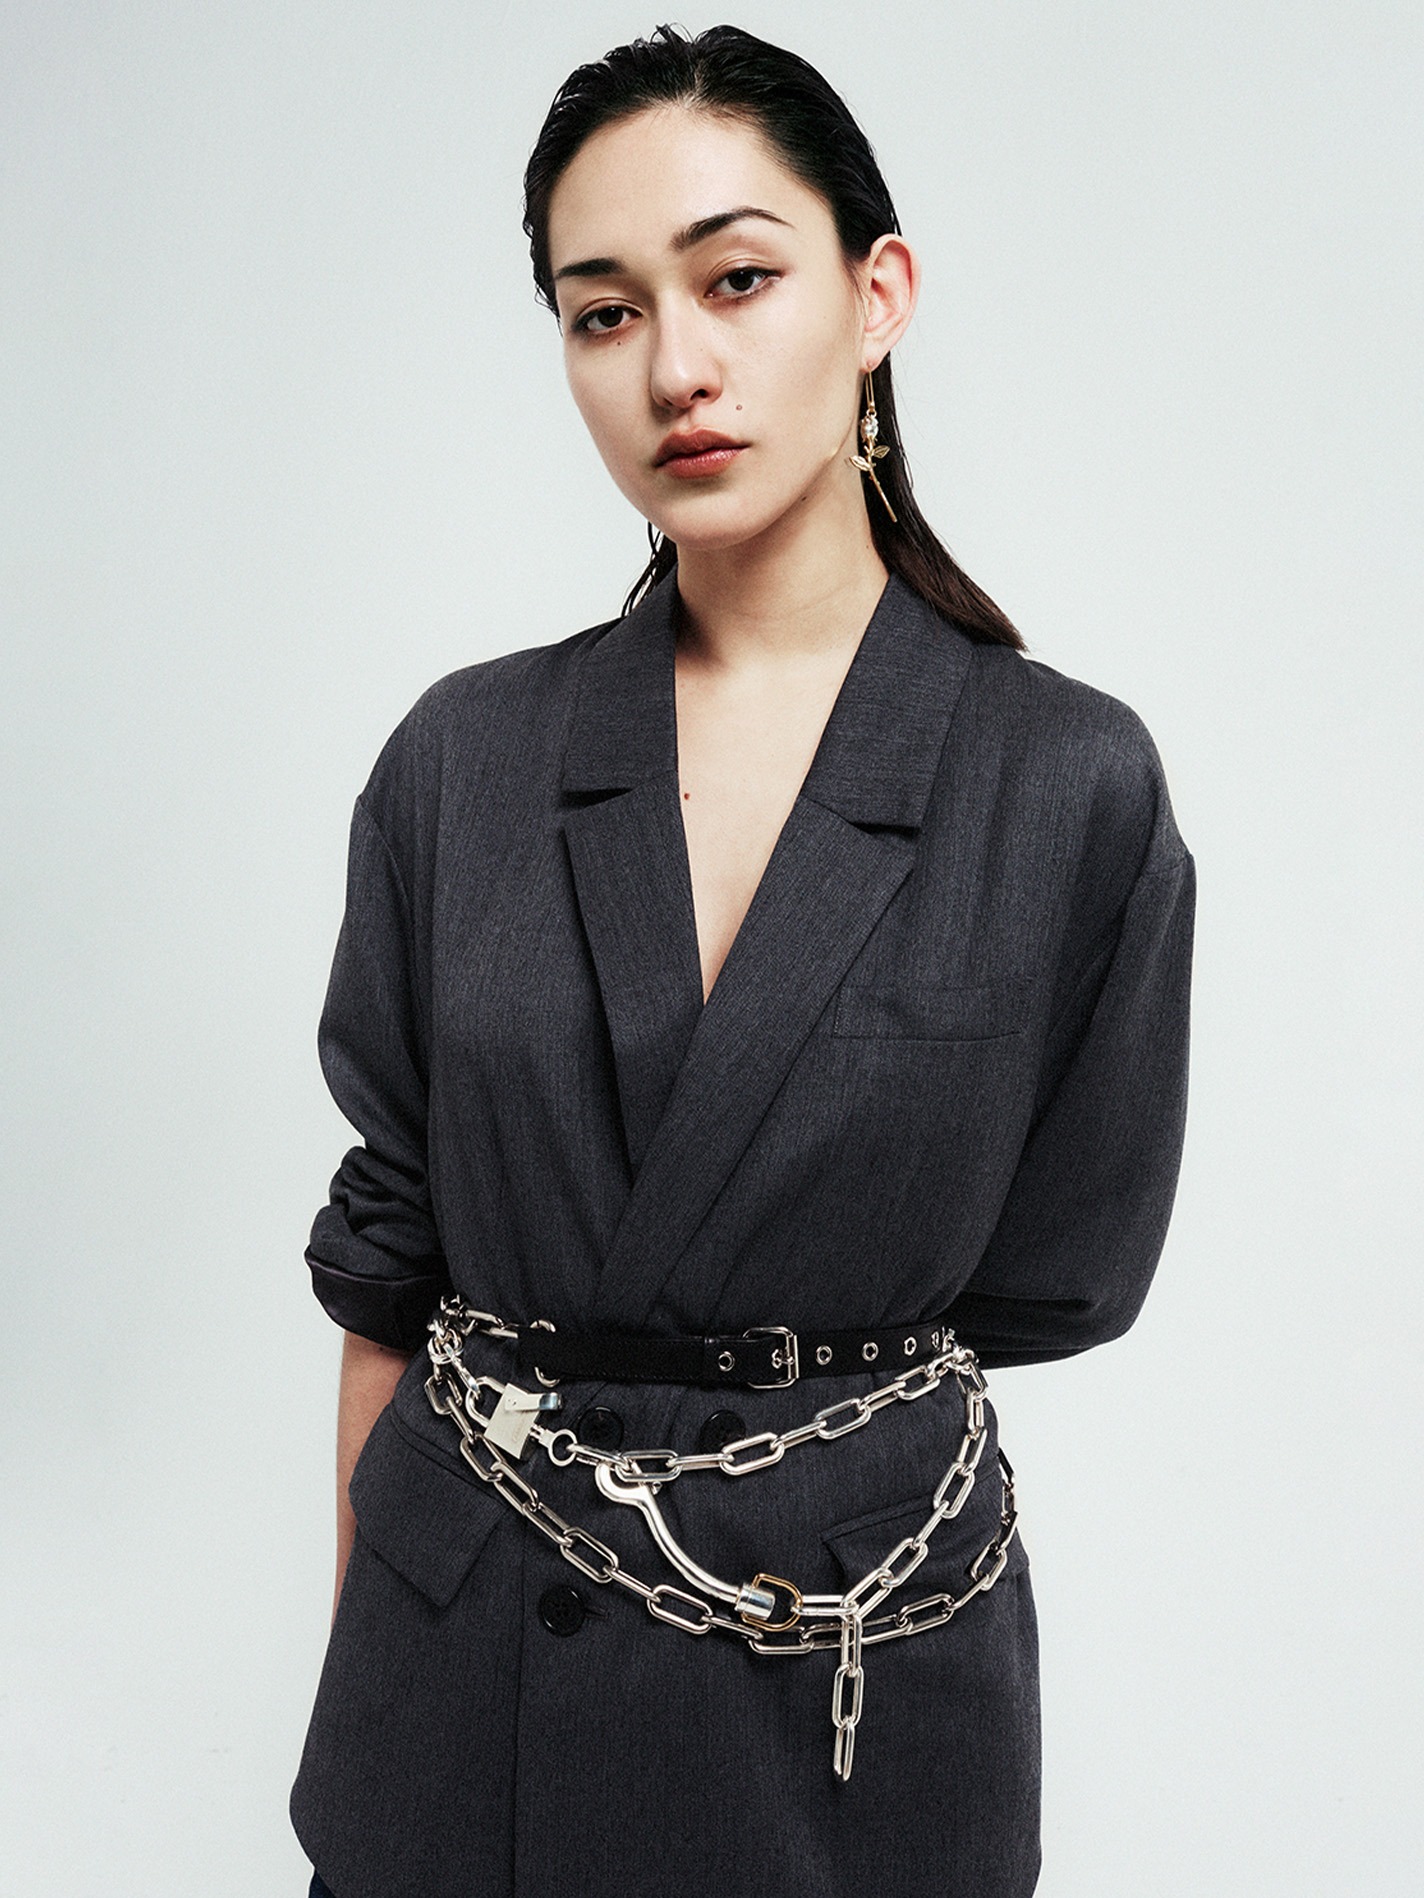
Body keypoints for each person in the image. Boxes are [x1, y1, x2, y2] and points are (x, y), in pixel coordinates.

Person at [290, 24, 1194, 1898]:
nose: (673, 369)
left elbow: (1065, 1268)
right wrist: (370, 1653)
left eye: (738, 279)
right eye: (602, 312)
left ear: (878, 296)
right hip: (461, 1686)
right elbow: (389, 1258)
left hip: (845, 1672)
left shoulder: (1065, 782)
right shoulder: (464, 758)